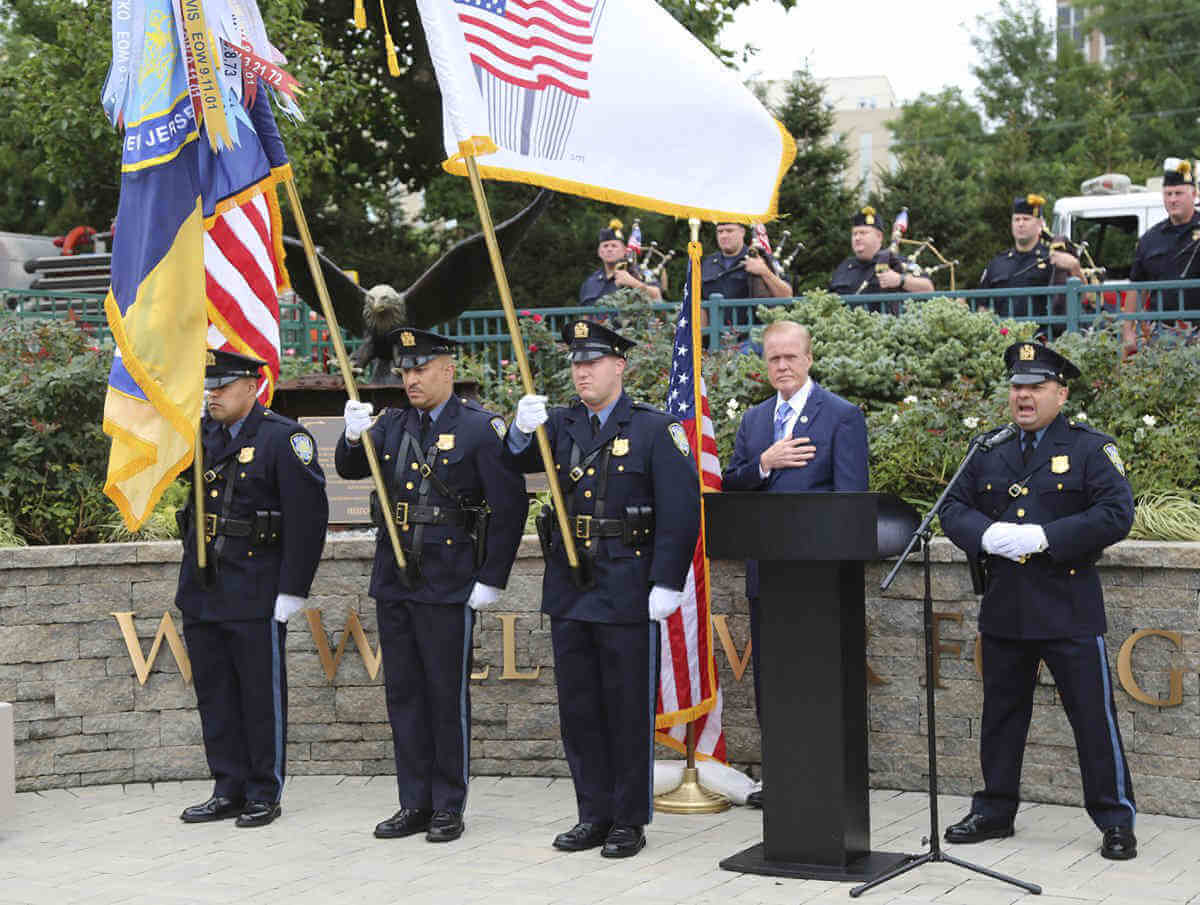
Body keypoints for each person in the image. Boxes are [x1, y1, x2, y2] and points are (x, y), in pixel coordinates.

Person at [505, 320, 700, 858]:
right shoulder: (561, 424)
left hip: (627, 586)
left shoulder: (655, 429)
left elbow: (682, 512)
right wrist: (520, 430)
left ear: (619, 366)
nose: (582, 371)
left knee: (624, 707)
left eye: (592, 362)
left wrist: (666, 581)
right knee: (581, 709)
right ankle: (592, 813)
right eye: (575, 363)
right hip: (571, 584)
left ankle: (628, 819)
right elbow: (513, 460)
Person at [940, 341, 1137, 861]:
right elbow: (951, 508)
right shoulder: (989, 449)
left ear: (1061, 393)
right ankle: (994, 810)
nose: (1023, 396)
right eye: (1017, 387)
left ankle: (1115, 819)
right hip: (1006, 604)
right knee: (1001, 715)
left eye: (1035, 387)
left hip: (1067, 604)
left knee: (1092, 717)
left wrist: (1046, 538)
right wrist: (985, 535)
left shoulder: (1091, 448)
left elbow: (1117, 513)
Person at [337, 327, 526, 844]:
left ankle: (448, 804)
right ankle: (412, 802)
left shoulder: (479, 427)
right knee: (404, 696)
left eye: (422, 368)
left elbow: (510, 506)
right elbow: (351, 467)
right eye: (405, 370)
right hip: (395, 577)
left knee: (445, 695)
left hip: (448, 578)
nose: (412, 378)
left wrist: (491, 577)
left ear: (447, 368)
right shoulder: (393, 424)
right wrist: (352, 435)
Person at [176, 349, 329, 828]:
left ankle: (264, 790)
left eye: (223, 386)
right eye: (209, 386)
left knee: (260, 696)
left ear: (252, 386)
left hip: (256, 587)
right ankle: (227, 787)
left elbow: (309, 519)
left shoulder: (284, 439)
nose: (212, 394)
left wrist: (293, 589)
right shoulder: (198, 437)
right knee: (215, 694)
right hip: (204, 585)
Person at [720, 320, 869, 808]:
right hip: (769, 575)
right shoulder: (755, 422)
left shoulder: (842, 416)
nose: (782, 366)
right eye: (773, 359)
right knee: (772, 680)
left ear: (808, 359)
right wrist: (766, 463)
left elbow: (849, 501)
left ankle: (825, 777)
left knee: (822, 680)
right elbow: (733, 483)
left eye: (790, 357)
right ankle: (780, 774)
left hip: (821, 579)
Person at [1126, 157, 1200, 350]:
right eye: (1168, 194)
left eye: (1179, 193)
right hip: (1162, 333)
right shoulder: (1150, 238)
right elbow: (1136, 286)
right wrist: (1128, 330)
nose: (1173, 199)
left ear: (1194, 194)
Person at [979, 193, 1082, 321]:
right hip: (1004, 336)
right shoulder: (997, 262)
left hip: (1042, 337)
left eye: (1026, 219)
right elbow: (983, 306)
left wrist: (1075, 267)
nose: (1020, 224)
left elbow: (1086, 299)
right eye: (1016, 219)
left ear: (1039, 225)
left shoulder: (1053, 259)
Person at [828, 206, 934, 305]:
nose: (857, 238)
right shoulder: (844, 266)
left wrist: (900, 280)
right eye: (854, 234)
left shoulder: (895, 262)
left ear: (879, 237)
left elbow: (928, 288)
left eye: (863, 233)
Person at [700, 221, 793, 302]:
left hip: (751, 322)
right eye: (720, 232)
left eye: (729, 231)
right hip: (715, 322)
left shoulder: (761, 257)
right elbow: (700, 302)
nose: (724, 236)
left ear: (742, 232)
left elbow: (787, 295)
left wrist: (764, 272)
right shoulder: (708, 263)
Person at [578, 220, 662, 305]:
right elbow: (584, 314)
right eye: (605, 246)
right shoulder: (590, 282)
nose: (609, 249)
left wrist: (634, 283)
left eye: (614, 246)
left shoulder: (641, 273)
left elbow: (657, 297)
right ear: (599, 252)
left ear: (625, 251)